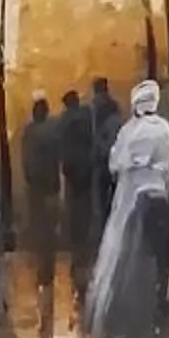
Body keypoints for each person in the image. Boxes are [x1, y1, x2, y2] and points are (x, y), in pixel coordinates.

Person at [84, 79, 169, 338]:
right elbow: (167, 167)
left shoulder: (128, 131)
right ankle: (159, 318)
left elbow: (114, 164)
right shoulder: (164, 128)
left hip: (132, 200)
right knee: (160, 262)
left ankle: (132, 321)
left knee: (128, 261)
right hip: (158, 196)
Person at [57, 88, 103, 266]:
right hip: (86, 166)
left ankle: (76, 240)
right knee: (86, 203)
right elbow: (92, 137)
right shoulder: (86, 114)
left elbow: (61, 144)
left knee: (74, 204)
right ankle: (86, 237)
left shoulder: (64, 120)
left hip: (71, 169)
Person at [19, 96, 63, 280]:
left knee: (38, 220)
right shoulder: (53, 131)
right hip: (51, 183)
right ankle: (48, 254)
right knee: (50, 221)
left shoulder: (29, 131)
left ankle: (42, 257)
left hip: (36, 183)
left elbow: (26, 158)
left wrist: (28, 175)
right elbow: (58, 154)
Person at [87, 78, 123, 234]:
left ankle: (104, 232)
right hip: (114, 159)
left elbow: (94, 136)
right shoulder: (114, 110)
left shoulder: (93, 109)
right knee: (114, 199)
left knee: (101, 202)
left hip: (102, 161)